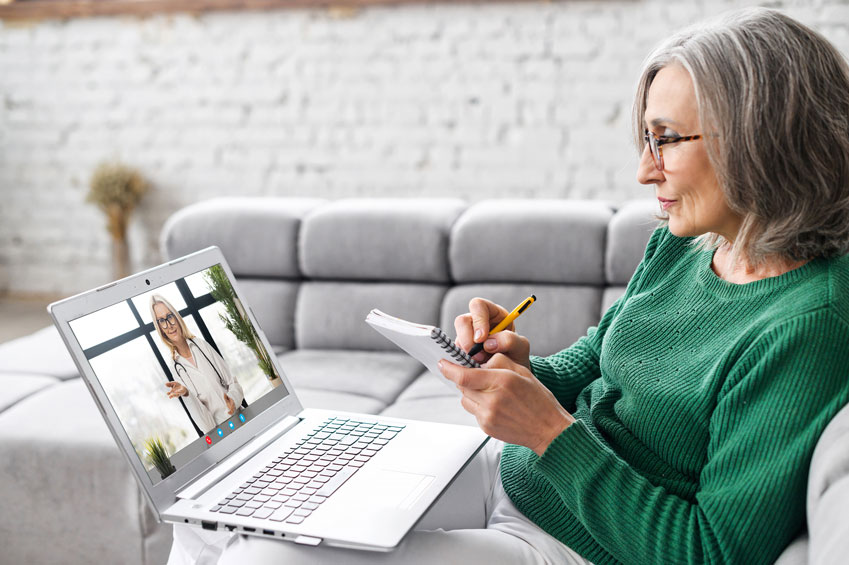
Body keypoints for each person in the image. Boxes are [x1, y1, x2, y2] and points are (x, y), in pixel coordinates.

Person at [168, 7, 849, 564]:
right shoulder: (686, 245)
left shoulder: (804, 325)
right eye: (643, 139)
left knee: (263, 558)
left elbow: (713, 550)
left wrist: (552, 436)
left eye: (665, 139)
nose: (644, 171)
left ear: (760, 137)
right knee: (215, 507)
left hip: (570, 545)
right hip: (512, 475)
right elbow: (589, 367)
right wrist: (517, 367)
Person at [151, 295, 245, 434]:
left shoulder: (200, 345)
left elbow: (232, 381)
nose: (169, 325)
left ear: (176, 317)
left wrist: (233, 400)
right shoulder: (176, 367)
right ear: (160, 328)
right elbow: (206, 426)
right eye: (162, 321)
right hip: (222, 433)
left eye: (170, 316)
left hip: (241, 417)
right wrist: (187, 394)